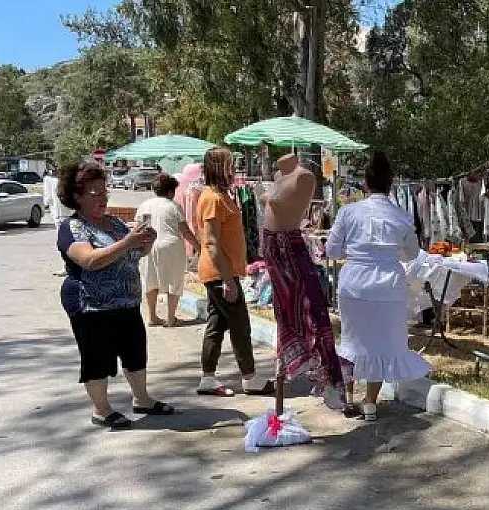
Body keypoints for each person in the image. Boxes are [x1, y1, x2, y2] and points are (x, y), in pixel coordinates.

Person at [56, 161, 174, 429]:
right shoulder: (73, 227)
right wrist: (127, 242)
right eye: (94, 193)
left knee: (135, 353)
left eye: (104, 191)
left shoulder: (116, 223)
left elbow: (133, 254)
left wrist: (146, 242)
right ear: (77, 197)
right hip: (92, 305)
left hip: (127, 301)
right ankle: (102, 409)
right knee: (97, 358)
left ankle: (142, 399)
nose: (102, 197)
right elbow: (88, 260)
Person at [326, 151, 430, 420]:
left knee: (351, 342)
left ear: (365, 182)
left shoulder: (348, 212)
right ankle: (370, 402)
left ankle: (347, 398)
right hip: (388, 288)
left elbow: (332, 250)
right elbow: (412, 255)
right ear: (391, 183)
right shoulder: (402, 216)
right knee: (381, 345)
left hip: (355, 285)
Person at [261, 154, 347, 410]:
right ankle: (294, 357)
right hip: (272, 250)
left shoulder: (304, 177)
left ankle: (330, 376)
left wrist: (266, 197)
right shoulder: (278, 177)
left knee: (311, 308)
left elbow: (285, 207)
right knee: (284, 312)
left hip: (290, 248)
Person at [195, 147, 274, 397]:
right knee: (240, 325)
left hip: (224, 272)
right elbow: (211, 242)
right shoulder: (212, 198)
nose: (234, 170)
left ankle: (208, 377)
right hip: (220, 274)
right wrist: (228, 280)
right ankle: (249, 377)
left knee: (217, 324)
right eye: (230, 165)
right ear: (219, 168)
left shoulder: (224, 195)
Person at [136, 173, 200, 327]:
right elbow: (185, 231)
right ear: (171, 192)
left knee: (151, 280)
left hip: (150, 245)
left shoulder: (145, 205)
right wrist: (198, 247)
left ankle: (152, 317)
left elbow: (140, 227)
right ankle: (171, 318)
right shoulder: (173, 206)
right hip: (171, 246)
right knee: (174, 281)